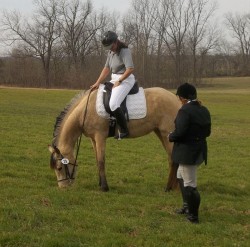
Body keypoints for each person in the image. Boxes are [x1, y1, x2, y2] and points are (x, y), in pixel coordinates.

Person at [168, 83, 211, 223]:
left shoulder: (184, 111)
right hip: (199, 149)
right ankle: (187, 206)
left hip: (187, 152)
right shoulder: (203, 109)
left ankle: (193, 217)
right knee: (180, 175)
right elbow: (208, 132)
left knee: (190, 185)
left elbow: (180, 133)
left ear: (182, 98)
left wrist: (170, 136)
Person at [90, 31, 135, 139]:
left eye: (111, 46)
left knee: (113, 104)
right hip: (114, 78)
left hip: (126, 79)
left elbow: (130, 69)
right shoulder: (110, 53)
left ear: (116, 42)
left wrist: (119, 81)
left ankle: (124, 130)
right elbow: (106, 69)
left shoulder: (124, 51)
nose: (110, 49)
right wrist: (97, 82)